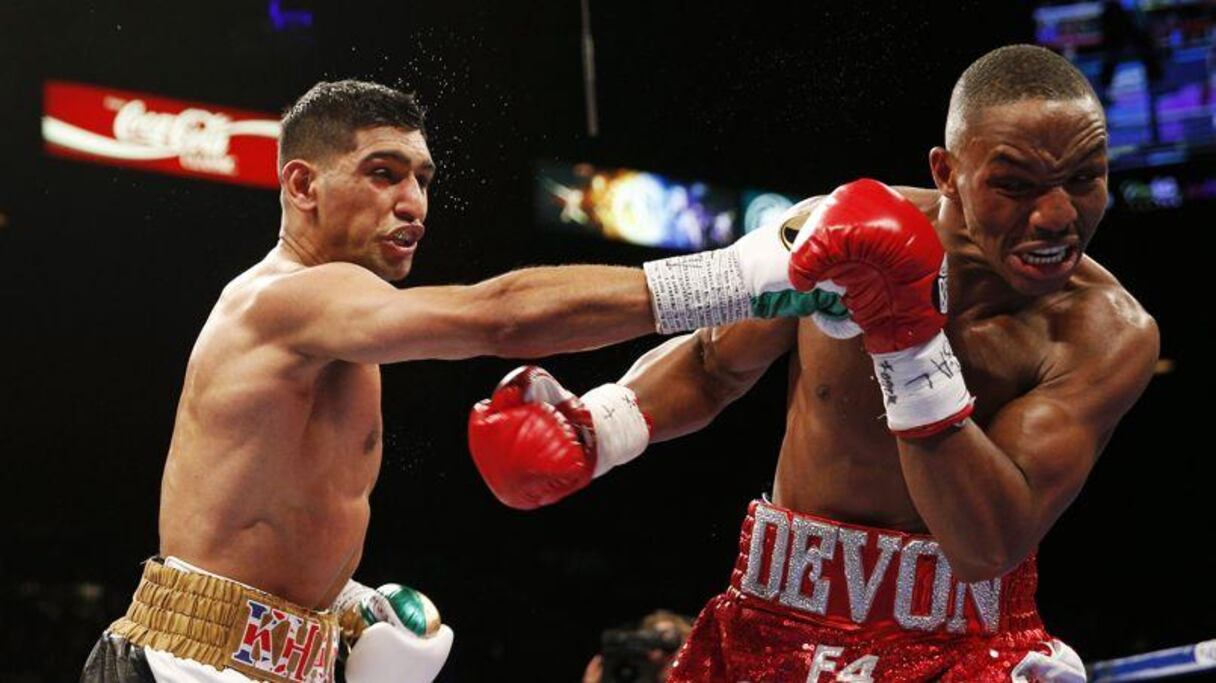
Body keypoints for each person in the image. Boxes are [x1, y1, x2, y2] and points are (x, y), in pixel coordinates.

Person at [79, 79, 838, 683]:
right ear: (303, 185)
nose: (412, 202)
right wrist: (738, 277)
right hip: (186, 664)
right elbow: (499, 318)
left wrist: (344, 603)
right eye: (382, 174)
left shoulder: (344, 320)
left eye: (421, 178)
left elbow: (256, 511)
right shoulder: (284, 299)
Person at [468, 45, 1159, 682]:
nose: (1055, 216)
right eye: (1016, 185)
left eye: (1083, 179)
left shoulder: (1103, 332)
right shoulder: (834, 230)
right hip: (774, 619)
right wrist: (601, 429)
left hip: (959, 646)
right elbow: (714, 364)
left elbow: (987, 542)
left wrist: (904, 333)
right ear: (946, 172)